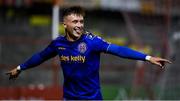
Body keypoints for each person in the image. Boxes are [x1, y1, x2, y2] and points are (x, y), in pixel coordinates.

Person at [6, 6, 171, 100]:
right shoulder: (58, 44)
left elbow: (119, 50)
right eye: (75, 22)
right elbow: (41, 56)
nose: (79, 25)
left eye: (81, 21)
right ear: (65, 24)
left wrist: (147, 57)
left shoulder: (92, 42)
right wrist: (20, 67)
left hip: (92, 99)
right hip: (70, 98)